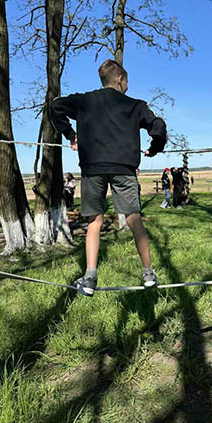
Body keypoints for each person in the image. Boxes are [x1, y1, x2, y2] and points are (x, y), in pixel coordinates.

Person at [49, 59, 168, 295]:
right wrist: (155, 148)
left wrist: (70, 134)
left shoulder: (85, 101)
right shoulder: (135, 105)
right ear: (120, 78)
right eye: (127, 81)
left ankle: (89, 278)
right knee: (134, 219)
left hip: (92, 168)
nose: (127, 86)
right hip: (124, 169)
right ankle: (148, 273)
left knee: (95, 222)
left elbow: (55, 106)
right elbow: (158, 126)